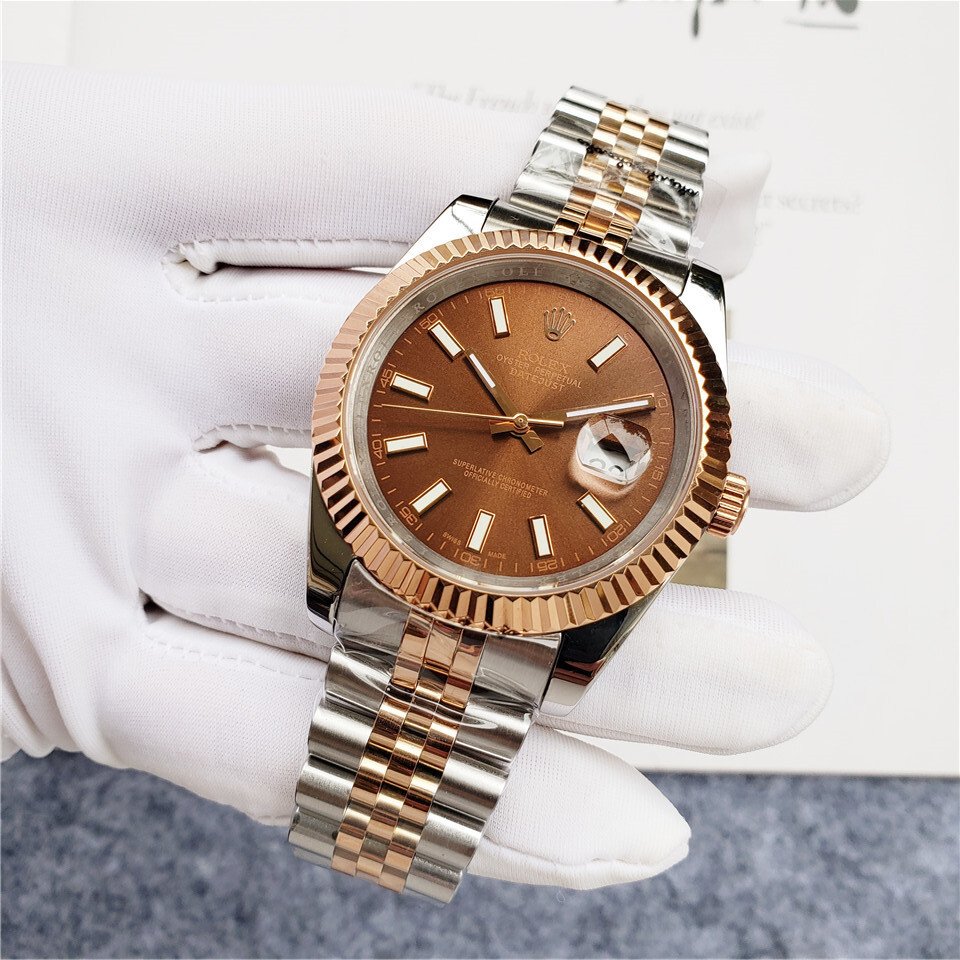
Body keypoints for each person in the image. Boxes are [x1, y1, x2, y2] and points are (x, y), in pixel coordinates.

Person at [1, 63, 888, 889]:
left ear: (706, 505)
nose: (521, 432)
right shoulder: (410, 324)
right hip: (402, 532)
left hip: (497, 557)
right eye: (515, 422)